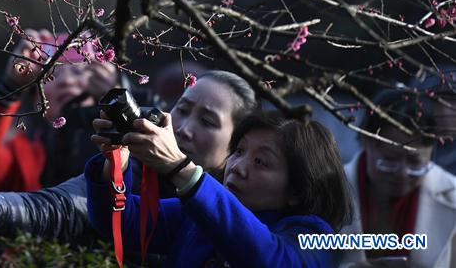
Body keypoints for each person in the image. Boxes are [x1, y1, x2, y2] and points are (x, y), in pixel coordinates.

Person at [0, 70, 259, 253]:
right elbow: (64, 208)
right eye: (183, 109)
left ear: (237, 144)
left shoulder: (251, 206)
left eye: (208, 121)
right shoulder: (130, 169)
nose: (184, 128)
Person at [85, 110, 352, 268]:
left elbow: (269, 258)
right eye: (239, 151)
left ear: (297, 189)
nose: (237, 167)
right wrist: (117, 159)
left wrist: (182, 169)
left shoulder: (315, 238)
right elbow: (124, 223)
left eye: (260, 161)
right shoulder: (195, 215)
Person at [0, 29, 118, 192]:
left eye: (77, 71)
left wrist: (116, 97)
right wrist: (10, 86)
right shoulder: (24, 158)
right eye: (52, 75)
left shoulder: (122, 143)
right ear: (36, 101)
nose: (67, 81)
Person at [338, 88, 456, 268]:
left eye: (415, 162)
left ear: (432, 150)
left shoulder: (453, 197)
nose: (402, 173)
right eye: (389, 160)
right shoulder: (324, 190)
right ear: (365, 140)